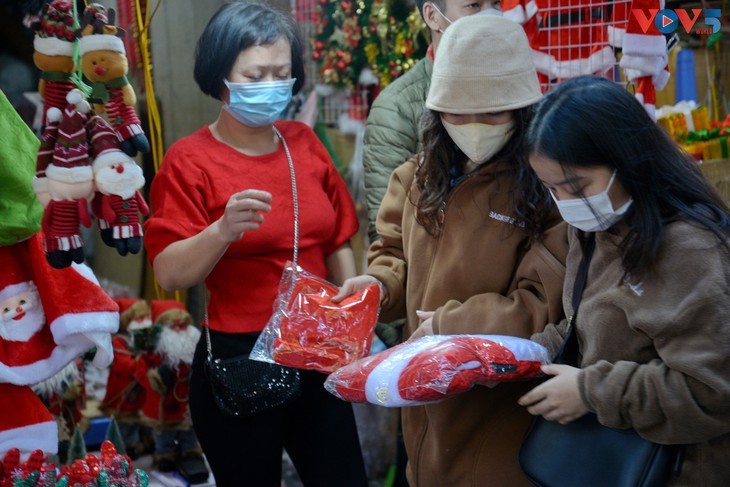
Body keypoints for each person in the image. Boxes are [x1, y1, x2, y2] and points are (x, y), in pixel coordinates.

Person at [334, 14, 568, 486]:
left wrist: (448, 325)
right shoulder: (415, 177)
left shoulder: (549, 188)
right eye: (457, 112)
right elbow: (394, 253)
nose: (474, 126)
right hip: (422, 403)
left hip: (503, 409)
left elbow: (543, 305)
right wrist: (378, 287)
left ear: (522, 109)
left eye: (493, 112)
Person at [143, 3, 368, 486]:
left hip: (316, 345)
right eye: (255, 73)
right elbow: (169, 272)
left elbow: (335, 239)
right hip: (239, 356)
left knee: (344, 476)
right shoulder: (190, 160)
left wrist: (349, 303)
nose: (270, 84)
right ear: (221, 76)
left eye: (281, 73)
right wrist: (221, 231)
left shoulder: (303, 142)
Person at [518, 76, 730, 484]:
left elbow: (713, 392)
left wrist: (591, 393)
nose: (566, 203)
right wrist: (516, 353)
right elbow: (584, 326)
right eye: (551, 189)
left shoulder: (691, 251)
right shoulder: (597, 228)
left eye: (576, 186)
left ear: (627, 160)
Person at [363, 0, 502, 248]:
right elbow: (386, 229)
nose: (489, 16)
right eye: (473, 6)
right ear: (433, 16)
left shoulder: (510, 88)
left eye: (496, 4)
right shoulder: (398, 106)